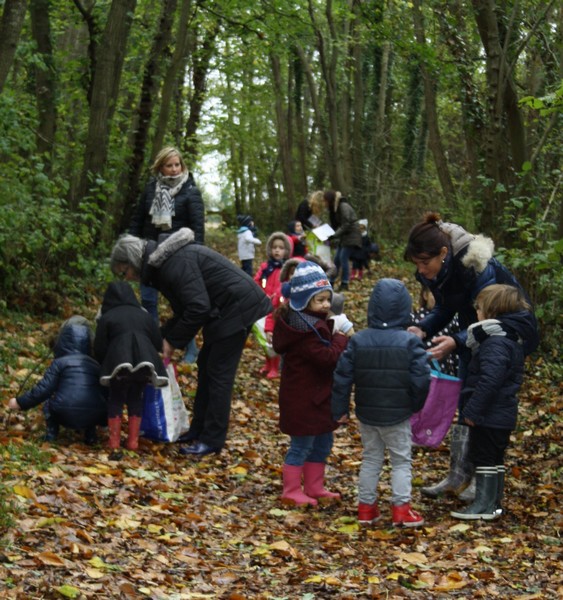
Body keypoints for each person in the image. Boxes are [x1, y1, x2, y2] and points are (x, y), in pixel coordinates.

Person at [404, 212, 539, 501]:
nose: (421, 271)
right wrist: (423, 328)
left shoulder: (478, 268)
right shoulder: (439, 268)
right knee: (469, 401)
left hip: (501, 337)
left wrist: (457, 339)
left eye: (424, 264)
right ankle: (459, 475)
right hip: (475, 337)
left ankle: (483, 477)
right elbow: (445, 306)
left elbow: (490, 317)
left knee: (487, 403)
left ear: (443, 253)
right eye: (416, 265)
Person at [109, 228, 272, 456]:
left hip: (237, 308)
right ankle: (198, 430)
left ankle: (212, 440)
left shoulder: (173, 264)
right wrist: (160, 337)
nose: (127, 278)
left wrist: (172, 341)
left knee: (218, 374)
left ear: (133, 260)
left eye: (124, 271)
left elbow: (198, 307)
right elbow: (184, 309)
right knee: (206, 367)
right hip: (224, 310)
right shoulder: (164, 265)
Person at [332, 279, 431, 527]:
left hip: (367, 412)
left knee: (371, 458)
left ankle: (366, 508)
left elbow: (342, 377)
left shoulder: (359, 340)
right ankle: (401, 509)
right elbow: (421, 378)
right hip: (398, 413)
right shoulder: (410, 342)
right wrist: (415, 405)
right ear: (405, 309)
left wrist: (340, 410)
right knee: (400, 461)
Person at [450, 284, 537, 520]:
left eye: (479, 308)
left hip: (490, 414)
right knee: (495, 458)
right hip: (500, 414)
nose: (476, 313)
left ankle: (484, 506)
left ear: (490, 311)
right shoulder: (508, 338)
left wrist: (473, 410)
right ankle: (494, 504)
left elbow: (490, 379)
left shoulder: (495, 342)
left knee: (485, 457)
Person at [272, 261, 351, 506]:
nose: (326, 305)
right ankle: (291, 489)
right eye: (320, 300)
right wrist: (340, 337)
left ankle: (315, 486)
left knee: (323, 442)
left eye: (328, 299)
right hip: (303, 400)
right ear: (304, 301)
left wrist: (330, 328)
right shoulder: (303, 330)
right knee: (302, 445)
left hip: (317, 398)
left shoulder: (311, 324)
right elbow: (327, 358)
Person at [129, 146, 204, 363]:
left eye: (177, 165)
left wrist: (196, 256)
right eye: (169, 165)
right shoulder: (151, 189)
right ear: (160, 166)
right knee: (149, 301)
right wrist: (132, 246)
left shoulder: (191, 191)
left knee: (181, 305)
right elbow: (138, 220)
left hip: (178, 256)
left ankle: (190, 349)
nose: (173, 169)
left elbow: (197, 228)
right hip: (149, 253)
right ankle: (154, 347)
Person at [93, 281, 169, 459]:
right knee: (136, 397)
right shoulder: (145, 316)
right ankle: (133, 442)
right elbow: (157, 342)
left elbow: (100, 348)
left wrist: (104, 363)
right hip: (145, 364)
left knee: (116, 399)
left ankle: (113, 443)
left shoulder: (107, 317)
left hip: (119, 365)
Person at [8, 318, 107, 444]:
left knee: (49, 402)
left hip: (64, 411)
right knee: (93, 401)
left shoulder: (59, 363)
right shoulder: (96, 365)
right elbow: (105, 393)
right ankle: (90, 436)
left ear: (62, 342)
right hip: (94, 415)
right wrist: (104, 420)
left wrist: (20, 403)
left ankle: (52, 433)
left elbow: (43, 389)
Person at [254, 232, 292, 379]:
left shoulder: (287, 269)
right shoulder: (266, 267)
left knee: (275, 338)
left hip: (279, 307)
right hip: (265, 305)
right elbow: (256, 281)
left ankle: (275, 366)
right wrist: (260, 294)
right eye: (275, 247)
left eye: (281, 248)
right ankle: (268, 363)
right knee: (265, 335)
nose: (277, 250)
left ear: (286, 251)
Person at [411, 285, 459, 376]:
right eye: (435, 294)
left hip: (445, 374)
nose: (439, 298)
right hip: (421, 374)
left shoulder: (452, 320)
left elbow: (456, 351)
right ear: (425, 295)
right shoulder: (414, 319)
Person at [323, 190, 362, 291]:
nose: (324, 203)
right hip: (344, 237)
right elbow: (335, 225)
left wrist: (334, 235)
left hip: (352, 235)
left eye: (325, 201)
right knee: (336, 260)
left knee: (343, 258)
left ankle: (345, 283)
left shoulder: (343, 206)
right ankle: (330, 282)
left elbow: (346, 224)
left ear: (330, 200)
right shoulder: (334, 209)